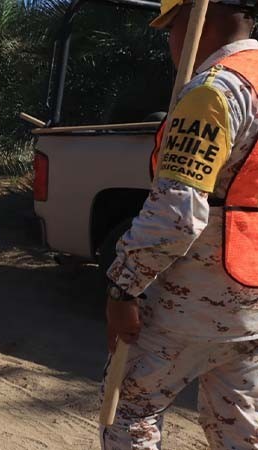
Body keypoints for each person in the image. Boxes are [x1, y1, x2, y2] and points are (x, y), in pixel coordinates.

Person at [103, 2, 258, 448]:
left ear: (196, 19)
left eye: (170, 26)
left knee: (129, 412)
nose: (170, 41)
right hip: (249, 306)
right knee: (240, 426)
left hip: (190, 305)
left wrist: (123, 287)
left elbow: (176, 215)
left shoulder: (216, 91)